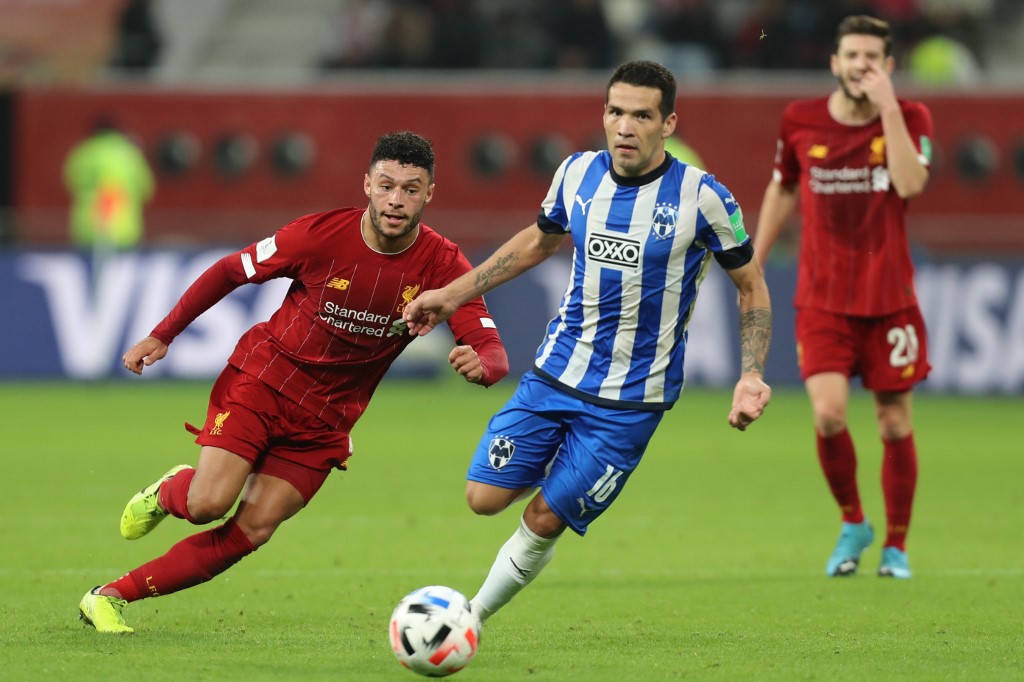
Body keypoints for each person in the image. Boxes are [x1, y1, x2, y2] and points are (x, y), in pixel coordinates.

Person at [78, 131, 510, 633]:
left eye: (411, 189)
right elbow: (228, 271)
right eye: (387, 185)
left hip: (329, 418)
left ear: (429, 194)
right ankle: (172, 492)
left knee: (253, 529)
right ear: (367, 184)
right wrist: (163, 335)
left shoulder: (442, 264)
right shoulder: (320, 235)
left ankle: (108, 597)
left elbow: (488, 341)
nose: (397, 200)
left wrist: (487, 366)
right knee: (207, 504)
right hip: (265, 380)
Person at [403, 60, 772, 623]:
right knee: (482, 499)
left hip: (630, 400)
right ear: (604, 114)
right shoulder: (576, 174)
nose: (626, 127)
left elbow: (750, 286)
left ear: (668, 123)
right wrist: (453, 293)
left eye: (642, 115)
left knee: (546, 519)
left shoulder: (703, 198)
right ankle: (560, 470)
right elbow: (537, 242)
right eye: (616, 112)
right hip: (555, 373)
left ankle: (469, 619)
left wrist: (751, 374)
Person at [753, 15, 933, 579]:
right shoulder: (800, 119)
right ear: (834, 63)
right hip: (823, 299)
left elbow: (910, 184)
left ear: (888, 66)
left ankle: (897, 546)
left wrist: (889, 111)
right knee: (829, 416)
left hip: (890, 301)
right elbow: (782, 185)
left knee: (894, 425)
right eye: (851, 55)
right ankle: (853, 520)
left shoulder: (910, 117)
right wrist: (753, 264)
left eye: (872, 57)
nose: (861, 65)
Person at [63, 118, 154, 250]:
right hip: (124, 229)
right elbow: (147, 188)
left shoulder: (83, 153)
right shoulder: (129, 154)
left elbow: (70, 181)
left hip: (87, 228)